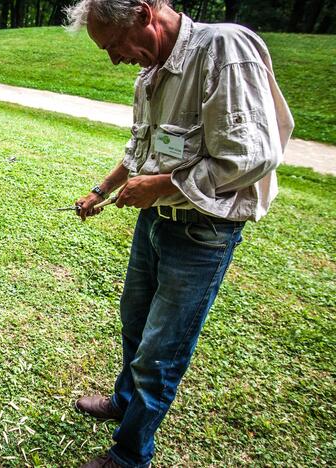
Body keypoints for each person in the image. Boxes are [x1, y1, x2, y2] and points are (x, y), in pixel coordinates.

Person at [64, 1, 294, 467]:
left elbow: (253, 156)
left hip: (202, 234)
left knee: (160, 353)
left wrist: (161, 186)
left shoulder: (223, 49)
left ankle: (129, 456)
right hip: (156, 222)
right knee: (135, 324)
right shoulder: (150, 75)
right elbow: (140, 148)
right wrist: (100, 189)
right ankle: (124, 404)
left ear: (145, 13)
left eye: (114, 45)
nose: (114, 58)